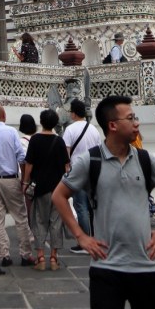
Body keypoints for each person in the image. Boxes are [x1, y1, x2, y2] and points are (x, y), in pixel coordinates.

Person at [52, 94, 155, 309]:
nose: (137, 123)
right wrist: (81, 237)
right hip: (106, 266)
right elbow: (59, 196)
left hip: (145, 266)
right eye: (131, 118)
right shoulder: (90, 160)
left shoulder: (145, 159)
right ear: (112, 125)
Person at [0, 103, 35, 267]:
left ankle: (4, 255)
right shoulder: (11, 132)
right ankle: (25, 254)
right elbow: (22, 159)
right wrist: (24, 180)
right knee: (21, 217)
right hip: (11, 179)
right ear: (4, 114)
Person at [23, 109, 68, 270]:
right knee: (56, 222)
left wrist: (25, 182)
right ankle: (54, 258)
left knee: (39, 221)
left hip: (40, 187)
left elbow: (29, 164)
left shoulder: (35, 140)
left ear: (41, 122)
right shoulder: (60, 141)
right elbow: (66, 166)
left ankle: (41, 257)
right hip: (58, 189)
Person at [63, 97, 101, 250]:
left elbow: (66, 152)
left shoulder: (70, 129)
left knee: (81, 206)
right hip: (93, 170)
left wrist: (66, 168)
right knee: (93, 206)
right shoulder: (93, 129)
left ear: (73, 114)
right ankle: (96, 238)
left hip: (77, 170)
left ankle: (85, 241)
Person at [18, 113, 37, 227]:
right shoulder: (39, 138)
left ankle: (32, 228)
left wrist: (24, 181)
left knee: (29, 204)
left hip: (30, 178)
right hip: (42, 176)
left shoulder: (22, 142)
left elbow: (24, 162)